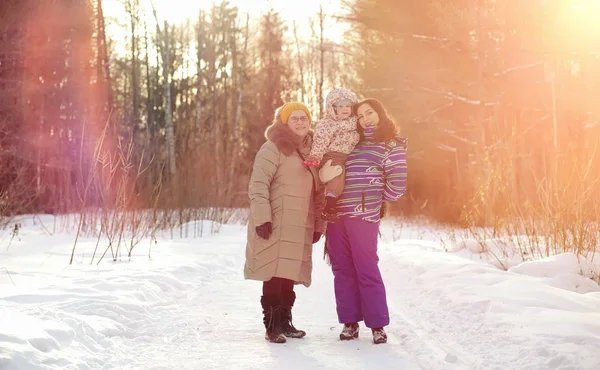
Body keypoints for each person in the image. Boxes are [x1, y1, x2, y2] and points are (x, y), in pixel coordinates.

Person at [325, 98, 408, 344]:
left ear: (380, 114)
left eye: (369, 113)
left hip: (364, 216)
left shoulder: (391, 145)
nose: (365, 119)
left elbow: (397, 186)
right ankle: (350, 323)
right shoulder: (351, 142)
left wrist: (376, 200)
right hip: (337, 215)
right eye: (360, 116)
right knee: (342, 269)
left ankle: (377, 325)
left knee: (366, 267)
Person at [244, 102, 326, 344]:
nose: (301, 122)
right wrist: (262, 218)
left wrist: (319, 224)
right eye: (295, 119)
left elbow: (319, 192)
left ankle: (285, 322)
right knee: (273, 272)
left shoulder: (313, 151)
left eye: (304, 118)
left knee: (288, 272)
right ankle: (272, 326)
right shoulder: (273, 148)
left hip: (301, 222)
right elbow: (258, 185)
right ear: (284, 122)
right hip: (276, 219)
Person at [302, 88, 360, 221]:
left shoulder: (355, 123)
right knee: (337, 171)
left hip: (347, 158)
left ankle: (336, 204)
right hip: (332, 156)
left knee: (343, 175)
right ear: (333, 108)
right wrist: (315, 156)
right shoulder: (328, 123)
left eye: (348, 106)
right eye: (340, 106)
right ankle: (330, 206)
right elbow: (321, 140)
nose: (345, 109)